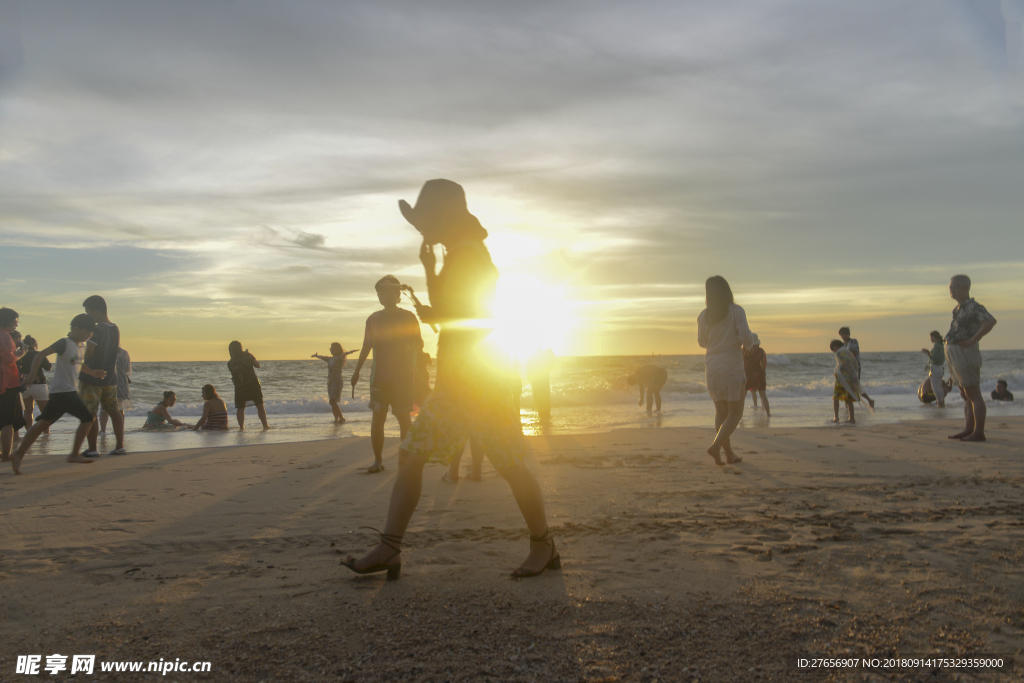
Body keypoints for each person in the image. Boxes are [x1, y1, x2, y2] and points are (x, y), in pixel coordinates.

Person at [342, 179, 557, 580]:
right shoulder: (462, 253)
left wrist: (429, 272)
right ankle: (390, 547)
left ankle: (544, 544)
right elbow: (452, 318)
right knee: (414, 454)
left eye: (425, 220)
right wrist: (434, 285)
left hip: (478, 381)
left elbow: (466, 317)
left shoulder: (468, 257)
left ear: (443, 217)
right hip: (465, 378)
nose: (421, 229)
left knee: (507, 462)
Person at [10, 314, 105, 474]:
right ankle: (74, 454)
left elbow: (80, 365)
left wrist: (93, 373)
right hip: (64, 392)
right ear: (76, 328)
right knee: (87, 418)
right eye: (87, 332)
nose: (89, 335)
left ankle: (18, 454)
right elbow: (41, 354)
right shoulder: (64, 343)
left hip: (63, 392)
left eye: (91, 333)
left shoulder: (82, 346)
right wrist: (33, 374)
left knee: (43, 423)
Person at [350, 275, 423, 474]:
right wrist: (356, 372)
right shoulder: (373, 319)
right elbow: (366, 346)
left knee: (403, 418)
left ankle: (405, 461)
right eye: (382, 292)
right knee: (378, 417)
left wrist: (406, 344)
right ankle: (377, 460)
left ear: (399, 295)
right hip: (380, 377)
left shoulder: (408, 317)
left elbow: (419, 343)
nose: (387, 295)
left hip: (404, 377)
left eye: (392, 291)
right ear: (378, 296)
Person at [697, 277, 752, 465]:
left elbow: (702, 342)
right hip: (731, 364)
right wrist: (748, 346)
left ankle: (728, 454)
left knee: (720, 412)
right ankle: (716, 446)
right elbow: (745, 335)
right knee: (735, 413)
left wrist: (717, 340)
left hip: (711, 366)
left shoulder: (704, 315)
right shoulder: (736, 311)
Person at [944, 274, 997, 442]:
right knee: (964, 393)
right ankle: (969, 429)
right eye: (950, 287)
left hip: (965, 352)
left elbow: (990, 321)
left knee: (973, 393)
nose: (951, 290)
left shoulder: (973, 306)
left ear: (966, 288)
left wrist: (973, 339)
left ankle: (979, 432)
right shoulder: (958, 309)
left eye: (955, 287)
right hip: (954, 352)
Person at [79, 295, 126, 457]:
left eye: (88, 313)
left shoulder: (97, 329)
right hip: (110, 376)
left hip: (93, 377)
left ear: (96, 311)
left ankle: (92, 448)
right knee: (114, 411)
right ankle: (120, 445)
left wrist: (80, 344)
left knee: (90, 413)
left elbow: (89, 353)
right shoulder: (115, 328)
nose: (88, 317)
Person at [0, 307, 26, 463]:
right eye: (15, 322)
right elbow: (9, 359)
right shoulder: (5, 337)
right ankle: (5, 455)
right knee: (7, 420)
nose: (16, 325)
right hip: (6, 383)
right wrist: (21, 353)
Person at [228, 341, 270, 430]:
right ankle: (265, 426)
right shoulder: (248, 356)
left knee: (240, 408)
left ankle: (241, 427)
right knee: (260, 406)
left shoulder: (230, 362)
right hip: (253, 385)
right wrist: (250, 356)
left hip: (239, 387)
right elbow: (258, 365)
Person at [312, 343, 359, 423]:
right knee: (332, 401)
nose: (332, 349)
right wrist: (316, 356)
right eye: (331, 348)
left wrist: (350, 352)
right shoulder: (331, 359)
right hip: (330, 381)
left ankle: (342, 418)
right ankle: (336, 419)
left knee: (332, 401)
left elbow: (344, 354)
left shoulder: (339, 357)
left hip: (337, 380)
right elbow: (323, 357)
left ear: (338, 349)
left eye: (334, 348)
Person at [831, 339, 871, 423]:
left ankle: (836, 417)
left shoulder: (839, 353)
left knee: (835, 397)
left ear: (835, 347)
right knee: (848, 399)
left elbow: (842, 365)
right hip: (851, 378)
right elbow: (855, 365)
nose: (834, 352)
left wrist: (837, 372)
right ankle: (852, 418)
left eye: (833, 350)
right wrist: (854, 376)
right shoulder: (848, 352)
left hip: (842, 379)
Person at [18, 335, 51, 433]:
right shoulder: (39, 354)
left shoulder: (20, 355)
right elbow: (48, 368)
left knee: (28, 411)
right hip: (39, 385)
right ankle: (46, 433)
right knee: (44, 412)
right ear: (33, 344)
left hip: (24, 385)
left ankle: (29, 433)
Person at [838, 326, 874, 406]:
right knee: (847, 386)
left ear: (848, 334)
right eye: (841, 335)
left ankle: (869, 400)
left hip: (855, 368)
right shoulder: (843, 344)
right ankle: (848, 405)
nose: (843, 337)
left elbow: (854, 353)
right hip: (846, 368)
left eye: (844, 334)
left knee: (856, 386)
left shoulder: (853, 341)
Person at [100, 347, 132, 433]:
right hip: (122, 383)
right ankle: (120, 430)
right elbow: (128, 370)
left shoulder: (104, 351)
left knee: (104, 409)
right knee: (119, 408)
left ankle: (103, 431)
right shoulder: (124, 353)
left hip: (108, 382)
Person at [743, 333, 770, 417]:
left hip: (747, 375)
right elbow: (764, 364)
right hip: (758, 375)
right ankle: (768, 414)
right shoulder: (761, 351)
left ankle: (739, 415)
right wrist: (762, 372)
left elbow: (739, 363)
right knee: (763, 396)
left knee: (742, 397)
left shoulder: (744, 350)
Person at [920, 331, 946, 408]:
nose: (931, 339)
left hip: (935, 368)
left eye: (931, 337)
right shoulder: (941, 345)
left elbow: (935, 358)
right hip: (939, 367)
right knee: (939, 387)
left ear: (935, 337)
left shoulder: (937, 346)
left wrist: (928, 353)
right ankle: (941, 403)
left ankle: (940, 404)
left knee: (935, 388)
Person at [527, 348, 555, 420]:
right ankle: (545, 412)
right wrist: (548, 369)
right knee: (544, 394)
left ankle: (542, 412)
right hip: (542, 378)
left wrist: (528, 375)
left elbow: (528, 366)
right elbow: (552, 361)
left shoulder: (534, 356)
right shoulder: (543, 356)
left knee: (539, 394)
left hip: (537, 379)